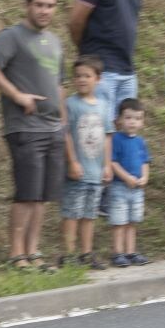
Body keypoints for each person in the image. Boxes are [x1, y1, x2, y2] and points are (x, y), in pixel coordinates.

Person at [0, 0, 66, 271]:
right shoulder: (12, 37)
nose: (44, 10)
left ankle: (34, 252)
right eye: (39, 4)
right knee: (26, 193)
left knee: (42, 195)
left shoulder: (55, 42)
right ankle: (16, 254)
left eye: (50, 5)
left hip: (52, 127)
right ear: (28, 5)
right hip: (25, 127)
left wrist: (63, 123)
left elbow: (59, 85)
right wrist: (17, 95)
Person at [69, 0, 143, 125]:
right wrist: (86, 53)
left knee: (124, 133)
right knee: (98, 129)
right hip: (104, 70)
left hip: (127, 71)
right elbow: (75, 21)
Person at [59, 55, 113, 270]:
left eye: (87, 76)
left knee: (90, 214)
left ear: (97, 79)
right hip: (77, 171)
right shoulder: (70, 104)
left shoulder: (103, 105)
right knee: (72, 213)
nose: (82, 80)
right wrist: (72, 161)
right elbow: (66, 135)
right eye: (78, 76)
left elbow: (108, 136)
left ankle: (86, 253)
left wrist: (107, 165)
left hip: (96, 171)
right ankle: (69, 254)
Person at [108, 98, 151, 267]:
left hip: (137, 189)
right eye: (128, 118)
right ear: (119, 120)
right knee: (119, 222)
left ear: (142, 122)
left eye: (137, 118)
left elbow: (145, 162)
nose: (132, 122)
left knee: (133, 221)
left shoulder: (140, 141)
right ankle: (117, 253)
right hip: (120, 187)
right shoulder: (116, 139)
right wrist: (126, 177)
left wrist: (145, 177)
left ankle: (130, 251)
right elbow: (113, 162)